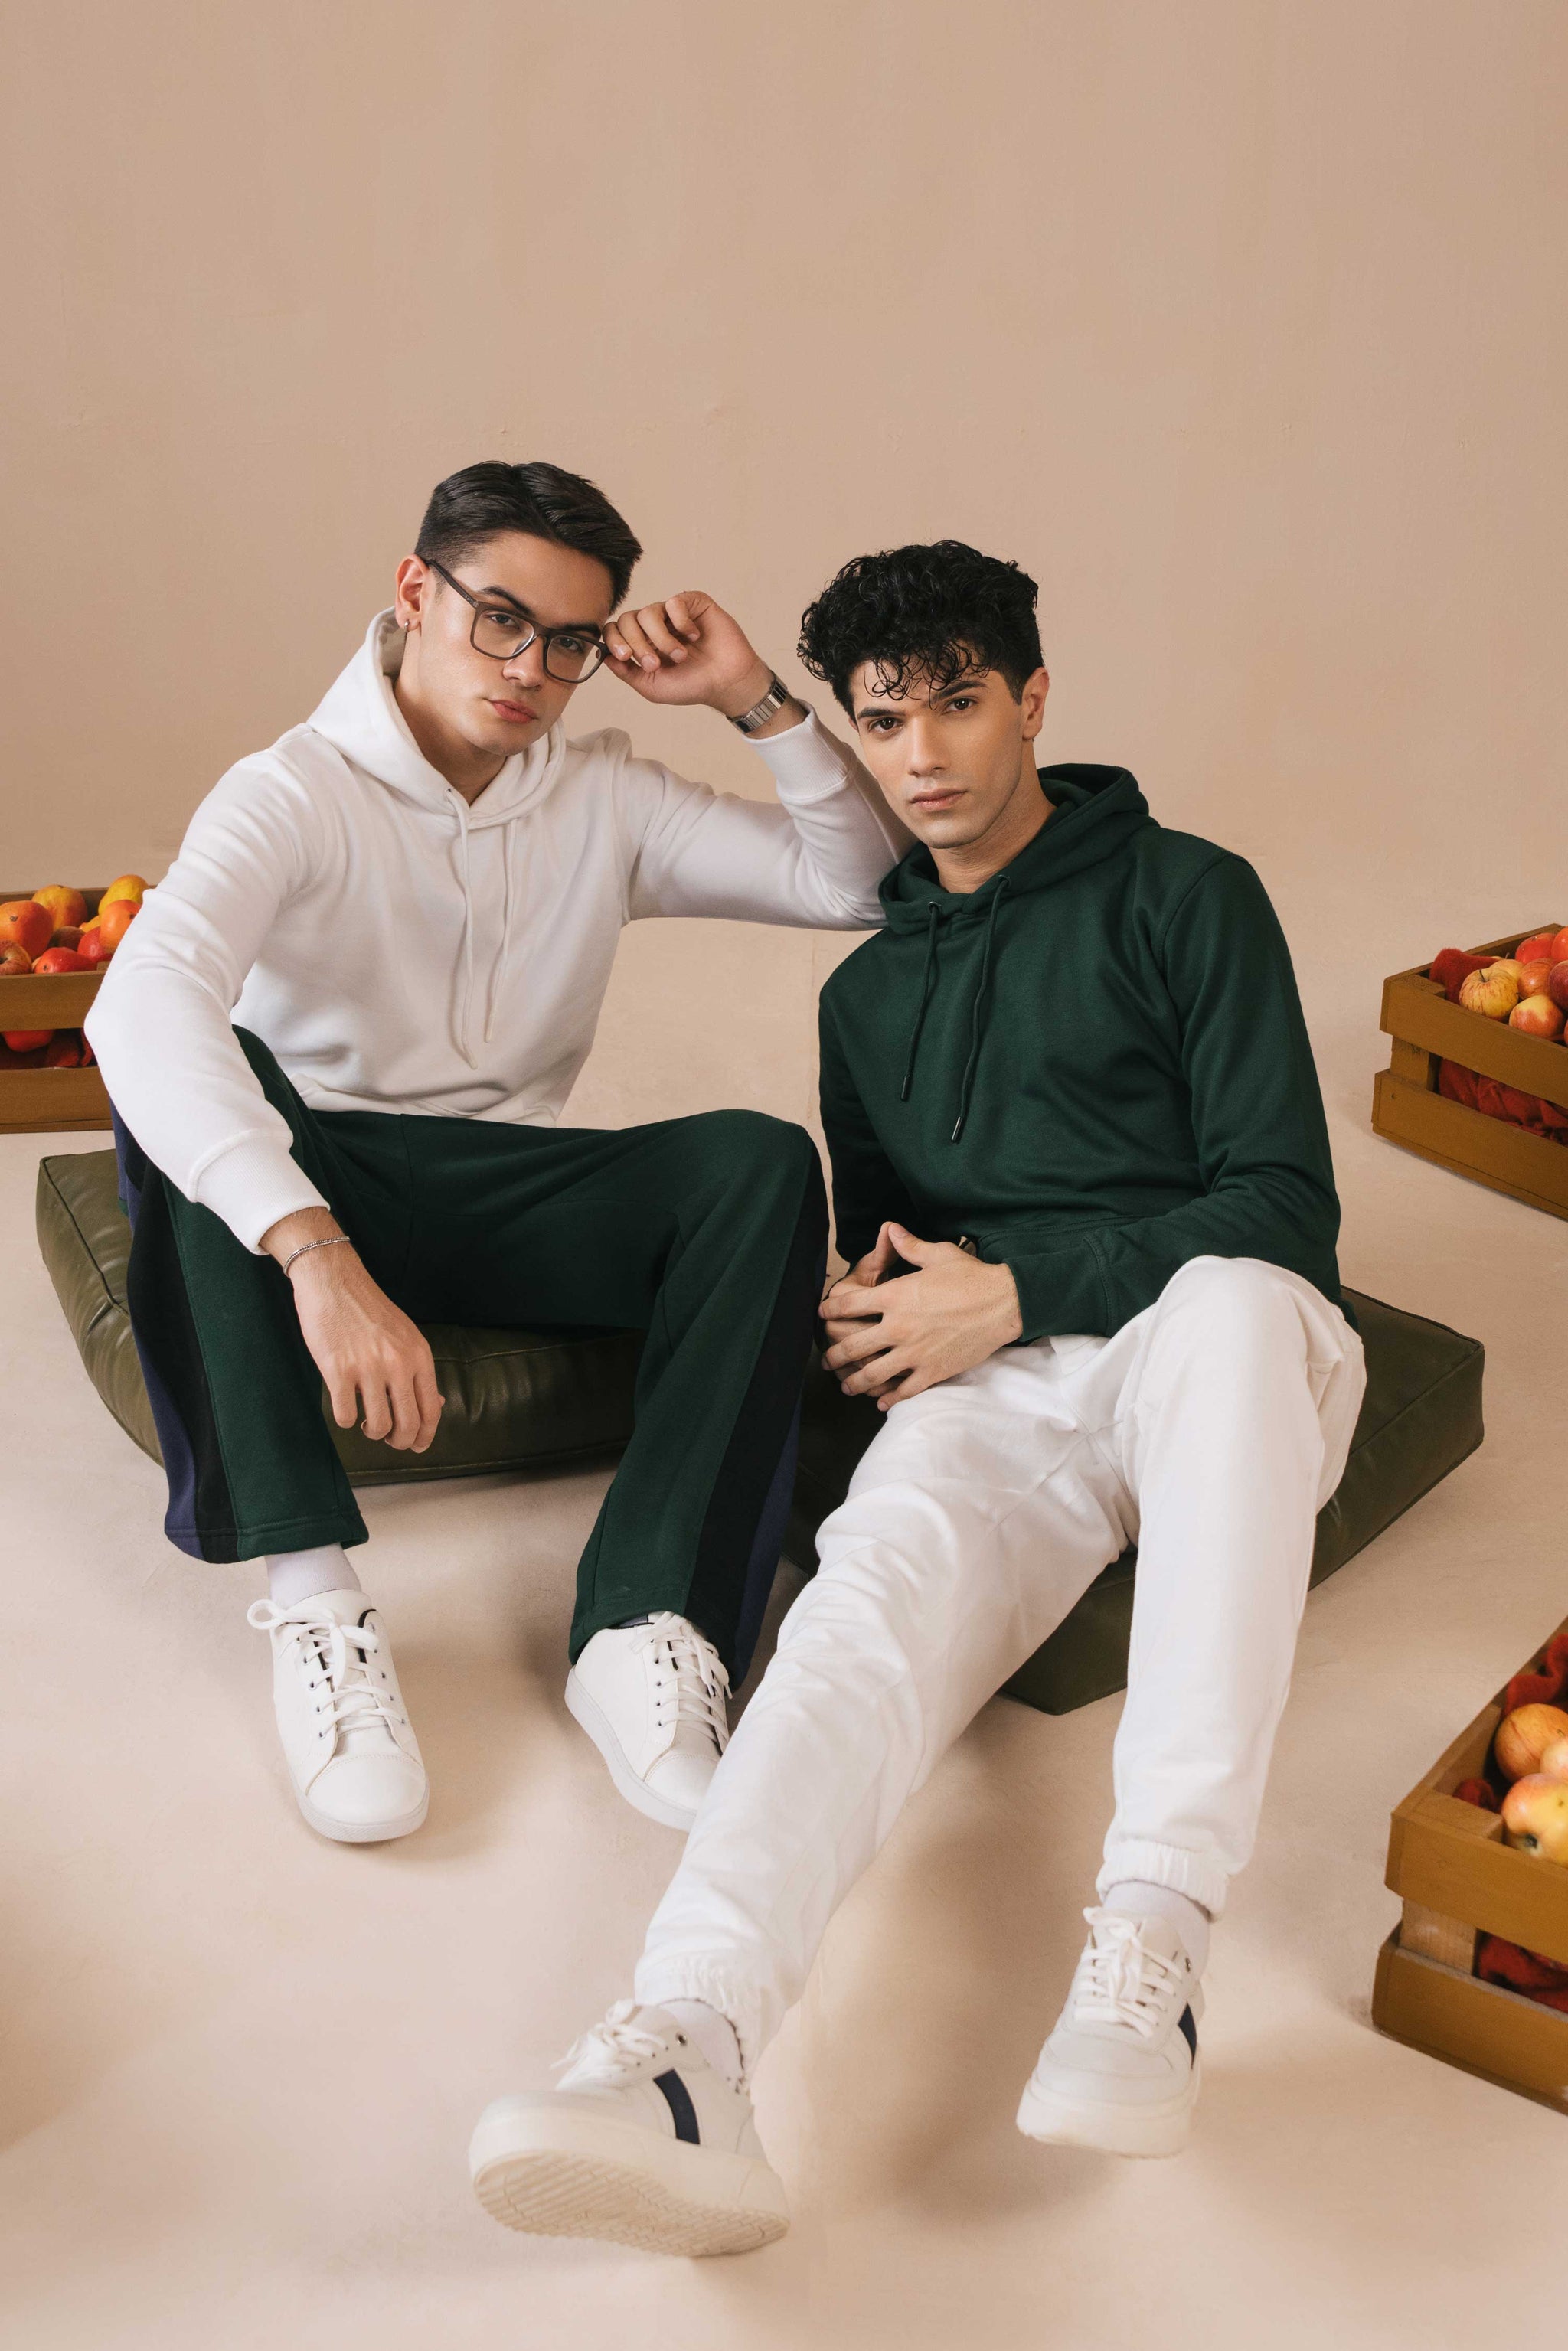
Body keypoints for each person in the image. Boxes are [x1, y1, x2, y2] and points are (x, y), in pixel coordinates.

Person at [467, 539, 1367, 2255]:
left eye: (958, 703)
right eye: (883, 722)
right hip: (1000, 1388)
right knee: (859, 1613)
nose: (924, 753)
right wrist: (884, 1314)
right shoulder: (866, 994)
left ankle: (1156, 1939)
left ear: (1033, 700)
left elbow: (1282, 1211)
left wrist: (1022, 1287)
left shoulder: (1188, 895)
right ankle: (686, 2050)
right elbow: (900, 1237)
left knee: (1241, 1309)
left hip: (1211, 1347)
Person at [87, 460, 905, 1848]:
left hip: (501, 1190)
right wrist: (316, 1256)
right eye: (501, 619)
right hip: (315, 1182)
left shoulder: (604, 797)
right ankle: (316, 1608)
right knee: (194, 1073)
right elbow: (138, 1001)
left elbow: (866, 885)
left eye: (571, 641)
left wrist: (754, 699)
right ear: (416, 591)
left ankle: (646, 1625)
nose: (531, 669)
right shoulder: (291, 790)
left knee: (759, 1165)